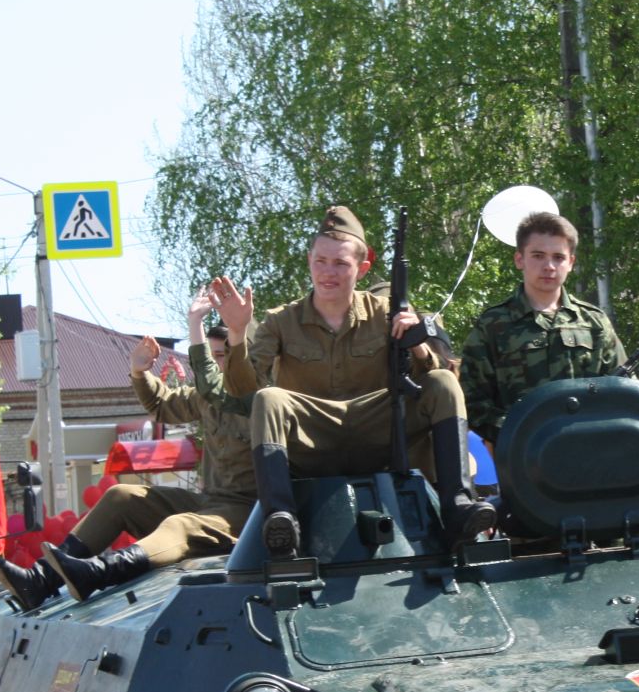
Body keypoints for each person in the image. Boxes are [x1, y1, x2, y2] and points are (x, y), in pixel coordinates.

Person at [211, 206, 493, 556]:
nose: (328, 273)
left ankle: (459, 504)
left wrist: (417, 344)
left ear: (362, 269)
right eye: (320, 261)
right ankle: (281, 518)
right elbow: (243, 391)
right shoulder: (281, 321)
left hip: (379, 430)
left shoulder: (385, 313)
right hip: (312, 438)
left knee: (443, 382)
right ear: (309, 261)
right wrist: (237, 333)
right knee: (270, 399)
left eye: (341, 264)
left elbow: (433, 382)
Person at [5, 296, 258, 606]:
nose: (217, 364)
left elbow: (223, 389)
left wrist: (196, 329)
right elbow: (163, 405)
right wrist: (139, 372)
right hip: (213, 504)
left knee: (181, 525)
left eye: (224, 356)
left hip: (250, 513)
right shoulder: (207, 397)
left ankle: (100, 573)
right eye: (213, 356)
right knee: (121, 496)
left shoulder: (257, 395)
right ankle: (40, 580)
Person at [458, 211, 626, 446]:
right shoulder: (494, 324)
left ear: (571, 263)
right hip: (524, 461)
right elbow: (472, 401)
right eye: (538, 255)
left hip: (592, 454)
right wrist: (521, 431)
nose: (548, 266)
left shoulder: (594, 323)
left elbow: (624, 391)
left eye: (558, 257)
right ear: (520, 259)